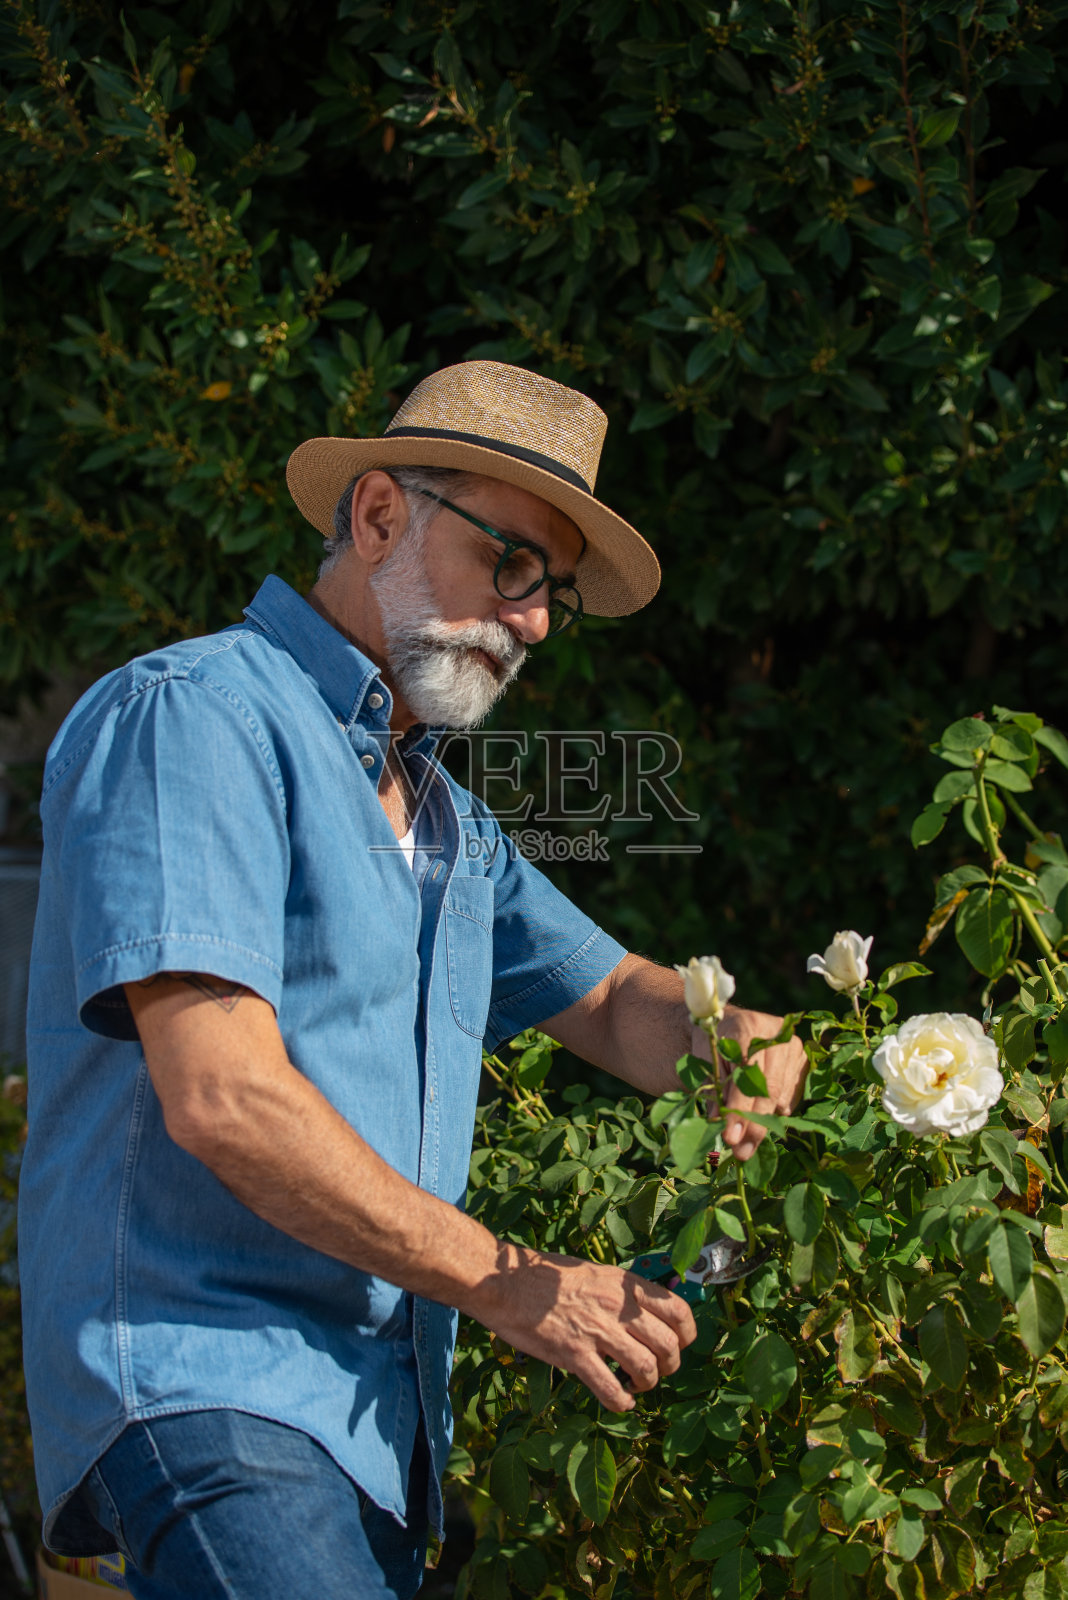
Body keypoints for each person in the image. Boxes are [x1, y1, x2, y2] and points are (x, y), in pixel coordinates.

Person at [20, 360, 806, 1600]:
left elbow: (609, 1001)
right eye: (512, 564)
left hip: (378, 1434)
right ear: (381, 514)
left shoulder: (443, 818)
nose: (537, 620)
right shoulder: (195, 716)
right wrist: (513, 1280)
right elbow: (222, 1094)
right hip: (205, 1383)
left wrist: (728, 1035)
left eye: (553, 593)